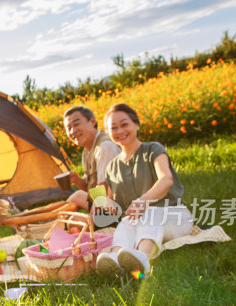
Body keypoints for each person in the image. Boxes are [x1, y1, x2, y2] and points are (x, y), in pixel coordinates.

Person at [95, 103, 193, 277]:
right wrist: (106, 202)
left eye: (124, 124)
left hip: (174, 216)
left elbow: (166, 179)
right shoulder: (112, 167)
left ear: (136, 124)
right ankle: (114, 259)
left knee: (150, 211)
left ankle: (144, 260)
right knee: (125, 223)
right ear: (108, 133)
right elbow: (111, 202)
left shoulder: (152, 149)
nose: (120, 131)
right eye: (113, 128)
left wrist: (143, 201)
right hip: (140, 222)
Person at [62, 105, 121, 210]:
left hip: (118, 206)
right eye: (69, 128)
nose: (73, 131)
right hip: (104, 204)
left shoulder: (105, 146)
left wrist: (88, 207)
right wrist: (77, 180)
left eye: (76, 124)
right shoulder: (87, 150)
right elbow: (89, 187)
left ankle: (53, 221)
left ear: (93, 122)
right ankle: (54, 221)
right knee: (73, 218)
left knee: (77, 197)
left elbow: (104, 190)